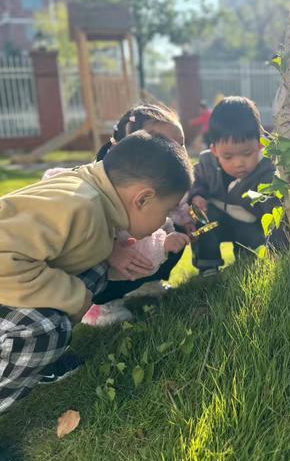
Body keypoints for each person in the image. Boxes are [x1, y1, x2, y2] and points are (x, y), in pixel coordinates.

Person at [0, 132, 192, 417]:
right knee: (46, 332)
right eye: (167, 211)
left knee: (95, 270)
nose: (166, 221)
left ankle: (40, 360)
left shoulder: (92, 193)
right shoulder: (82, 206)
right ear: (142, 199)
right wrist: (72, 296)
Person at [44, 104, 193, 328]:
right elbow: (83, 223)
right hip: (103, 252)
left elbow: (179, 207)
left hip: (142, 244)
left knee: (177, 231)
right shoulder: (102, 182)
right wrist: (111, 250)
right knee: (101, 261)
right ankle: (100, 304)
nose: (172, 153)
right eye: (161, 143)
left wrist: (187, 220)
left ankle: (148, 283)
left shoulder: (165, 180)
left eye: (179, 146)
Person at [189, 96, 287, 276]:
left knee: (251, 252)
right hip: (216, 221)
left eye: (247, 153)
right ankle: (208, 265)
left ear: (259, 145)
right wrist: (197, 196)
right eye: (228, 157)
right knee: (203, 220)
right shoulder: (206, 164)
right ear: (214, 150)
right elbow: (197, 183)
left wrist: (278, 253)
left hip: (248, 225)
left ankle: (246, 260)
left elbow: (275, 216)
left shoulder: (265, 173)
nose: (238, 163)